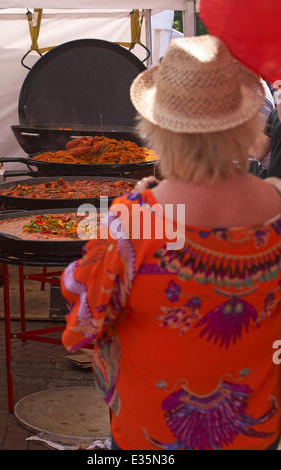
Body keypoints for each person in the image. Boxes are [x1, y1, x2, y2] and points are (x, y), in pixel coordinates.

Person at [61, 35, 281, 450]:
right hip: (255, 430)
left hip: (154, 435)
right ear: (249, 121)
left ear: (157, 127)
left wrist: (132, 209)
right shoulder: (277, 207)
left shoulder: (133, 221)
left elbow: (85, 314)